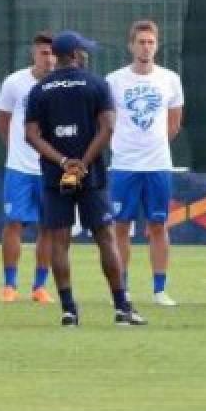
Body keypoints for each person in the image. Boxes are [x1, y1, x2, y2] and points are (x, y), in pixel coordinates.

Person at [23, 30, 146, 327]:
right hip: (92, 175)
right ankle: (121, 307)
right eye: (84, 50)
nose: (87, 55)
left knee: (59, 240)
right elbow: (108, 128)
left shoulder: (40, 89)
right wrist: (83, 163)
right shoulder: (96, 84)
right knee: (105, 236)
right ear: (76, 55)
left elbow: (31, 135)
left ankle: (68, 309)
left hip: (55, 173)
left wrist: (64, 162)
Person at [107, 19, 184, 307]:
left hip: (158, 164)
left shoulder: (169, 79)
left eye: (151, 42)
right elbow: (107, 118)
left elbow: (174, 121)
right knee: (121, 227)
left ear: (157, 45)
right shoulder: (114, 80)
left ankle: (159, 289)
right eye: (141, 42)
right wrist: (126, 141)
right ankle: (122, 288)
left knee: (158, 225)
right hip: (125, 165)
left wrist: (155, 143)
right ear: (131, 45)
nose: (146, 47)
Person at [0, 32, 55, 303]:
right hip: (19, 168)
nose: (49, 59)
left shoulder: (62, 84)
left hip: (51, 168)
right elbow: (3, 121)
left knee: (49, 227)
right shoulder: (15, 82)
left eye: (53, 53)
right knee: (13, 224)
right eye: (44, 53)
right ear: (34, 53)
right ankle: (10, 284)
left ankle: (40, 286)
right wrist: (16, 151)